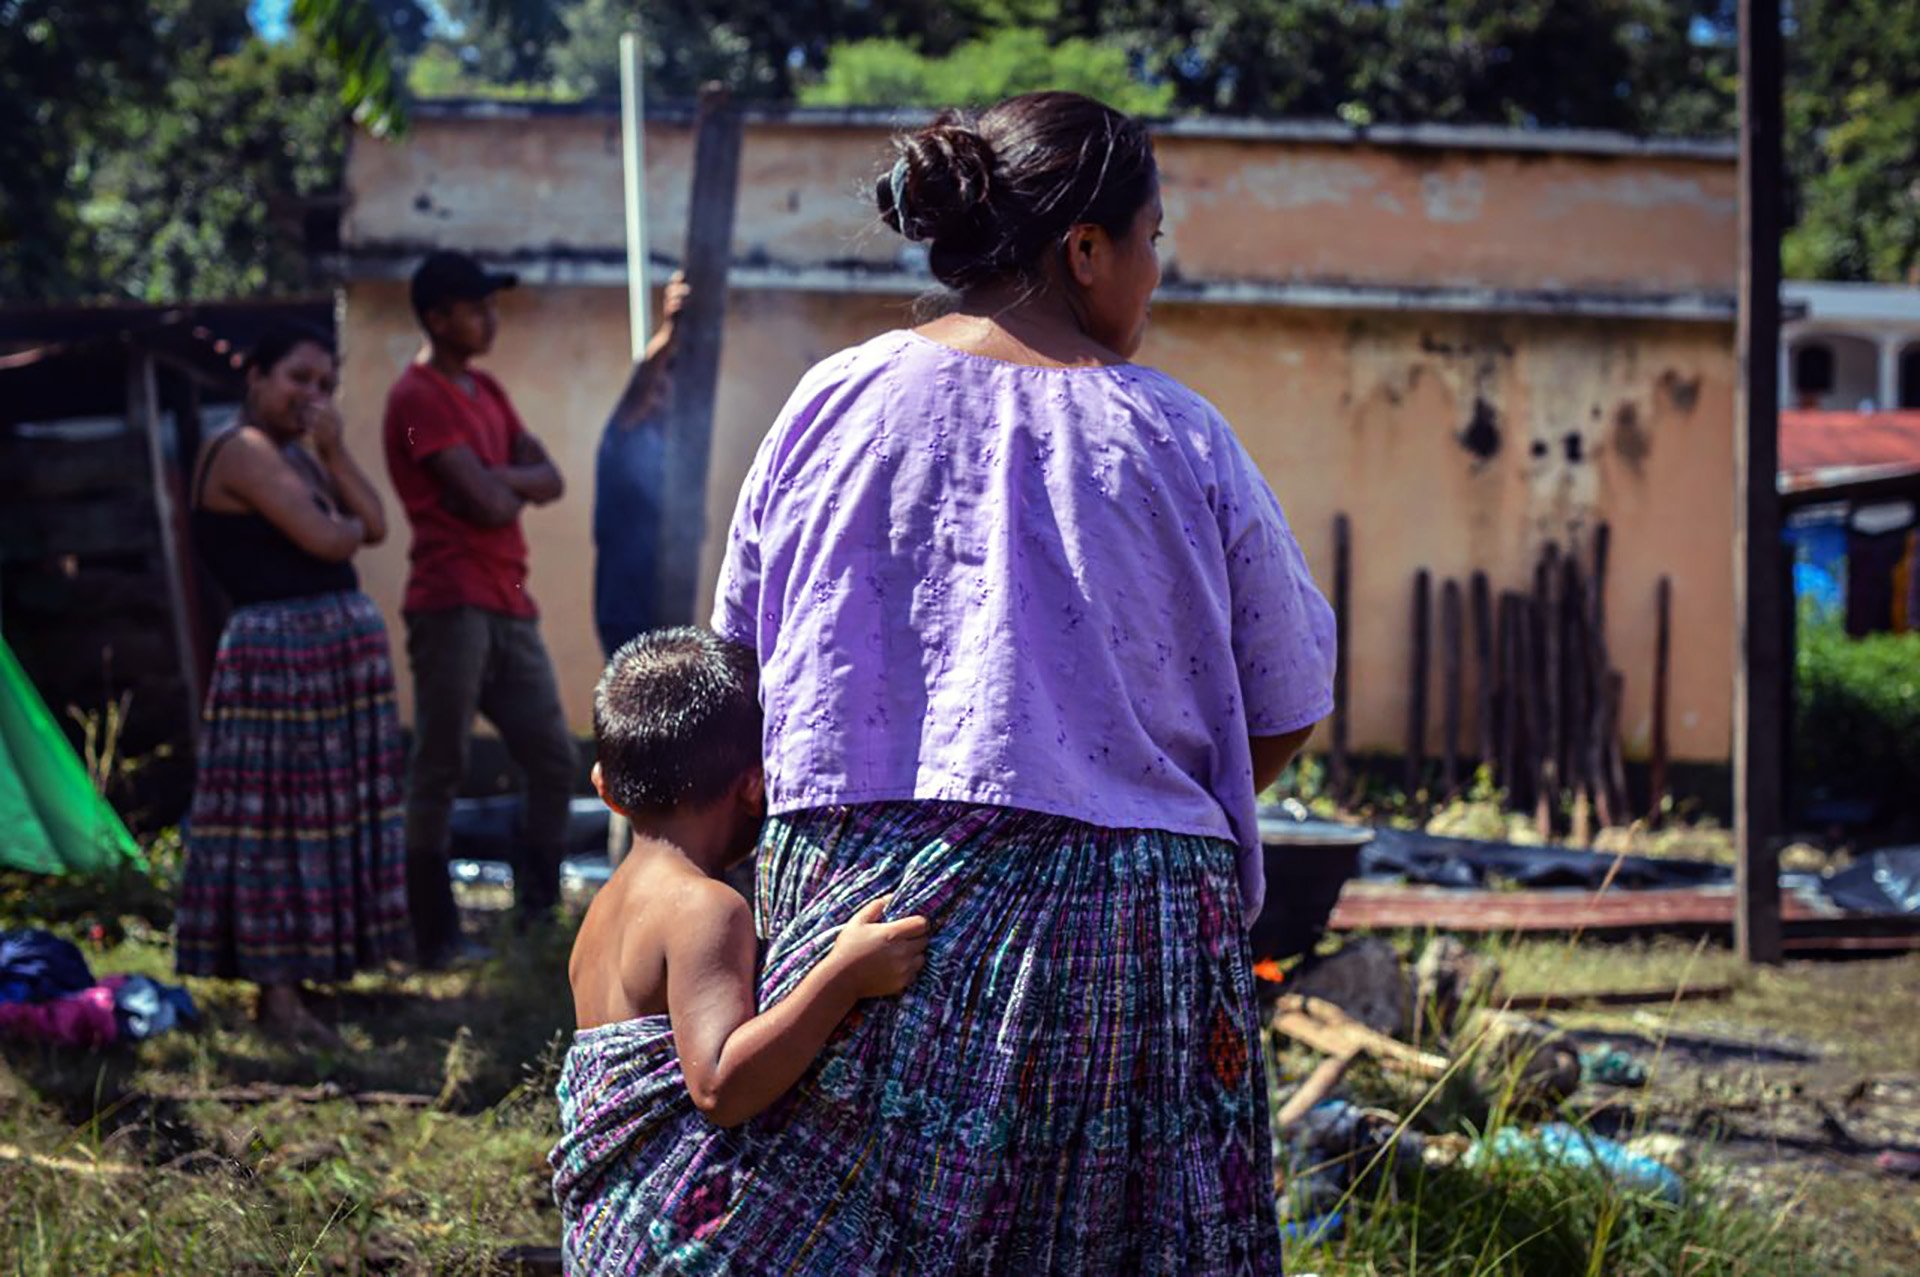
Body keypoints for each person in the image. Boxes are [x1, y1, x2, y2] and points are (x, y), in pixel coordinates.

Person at [559, 91, 1337, 1273]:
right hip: (1133, 935)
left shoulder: (832, 401)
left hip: (873, 917)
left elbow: (744, 680)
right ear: (1086, 249)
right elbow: (1286, 703)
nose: (1155, 272)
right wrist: (1128, 791)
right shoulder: (1177, 434)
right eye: (1153, 238)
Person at [553, 628, 930, 1272]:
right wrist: (841, 977)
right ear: (757, 787)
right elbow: (720, 1087)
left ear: (604, 787)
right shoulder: (705, 908)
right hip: (672, 1242)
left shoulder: (601, 910)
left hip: (602, 1237)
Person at [175, 325, 410, 1045]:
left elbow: (371, 523)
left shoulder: (300, 458)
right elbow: (329, 539)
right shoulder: (241, 449)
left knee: (324, 818)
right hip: (279, 664)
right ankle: (277, 995)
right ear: (255, 374)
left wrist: (335, 452)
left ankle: (308, 976)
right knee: (281, 819)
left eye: (324, 386)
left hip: (323, 667)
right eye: (297, 379)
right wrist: (335, 512)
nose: (311, 397)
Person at [383, 251, 576, 967]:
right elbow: (494, 499)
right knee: (440, 763)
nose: (490, 318)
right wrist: (508, 481)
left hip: (507, 599)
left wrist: (501, 478)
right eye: (476, 307)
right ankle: (432, 934)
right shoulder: (416, 400)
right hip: (449, 601)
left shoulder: (486, 389)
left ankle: (536, 920)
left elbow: (549, 480)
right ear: (437, 317)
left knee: (553, 759)